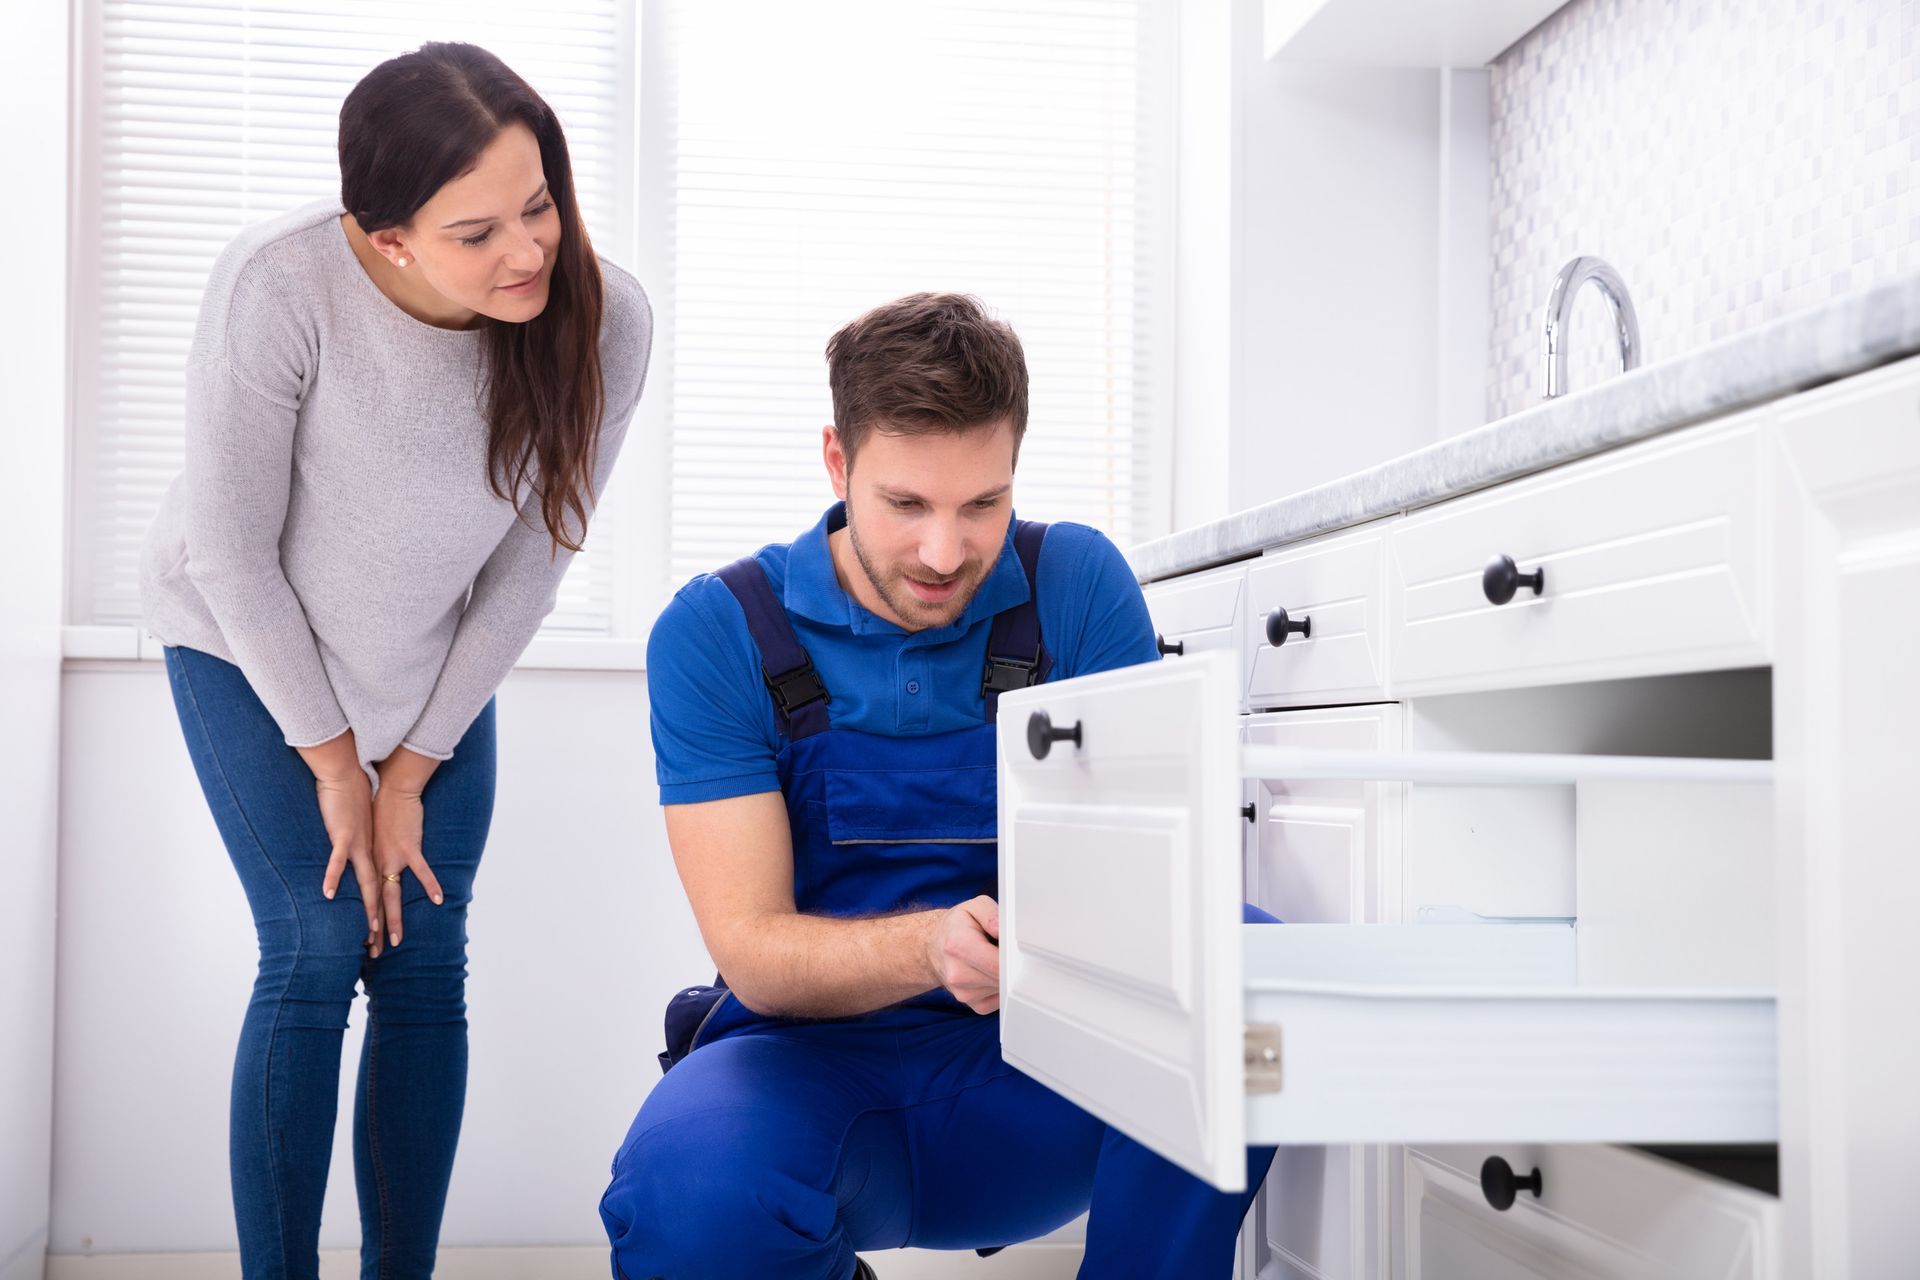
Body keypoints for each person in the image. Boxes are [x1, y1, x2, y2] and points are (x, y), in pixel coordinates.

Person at [601, 293, 1272, 1279]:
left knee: (1247, 966)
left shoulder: (1075, 584)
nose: (945, 552)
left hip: (1041, 1073)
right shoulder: (718, 628)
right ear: (838, 461)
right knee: (688, 1196)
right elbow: (754, 952)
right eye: (906, 504)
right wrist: (933, 942)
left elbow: (1151, 890)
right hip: (805, 1071)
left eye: (982, 504)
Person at [141, 42, 651, 1280]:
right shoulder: (283, 284)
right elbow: (230, 553)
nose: (527, 251)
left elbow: (532, 563)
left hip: (430, 673)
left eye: (540, 204)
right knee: (316, 947)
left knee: (424, 960)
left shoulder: (606, 315)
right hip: (246, 643)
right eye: (476, 232)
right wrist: (334, 763)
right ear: (387, 241)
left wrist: (410, 764)